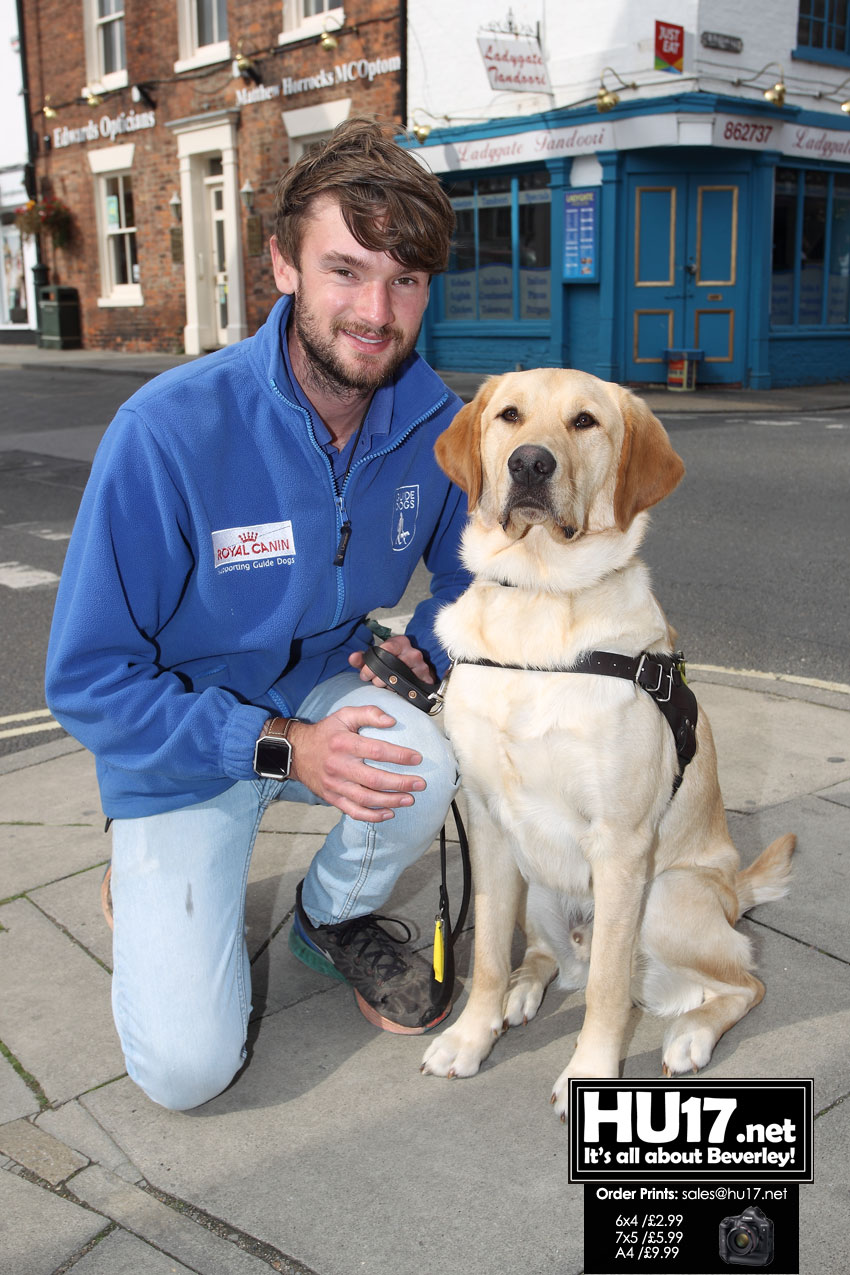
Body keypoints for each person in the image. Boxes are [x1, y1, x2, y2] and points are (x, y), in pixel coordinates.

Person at [45, 117, 470, 1111]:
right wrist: (283, 750)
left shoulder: (435, 420)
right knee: (188, 1074)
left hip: (323, 677)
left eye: (404, 279)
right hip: (181, 739)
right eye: (346, 270)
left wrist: (433, 647)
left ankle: (333, 917)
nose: (377, 310)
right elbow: (89, 679)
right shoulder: (166, 429)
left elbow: (477, 578)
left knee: (425, 764)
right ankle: (153, 872)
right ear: (281, 263)